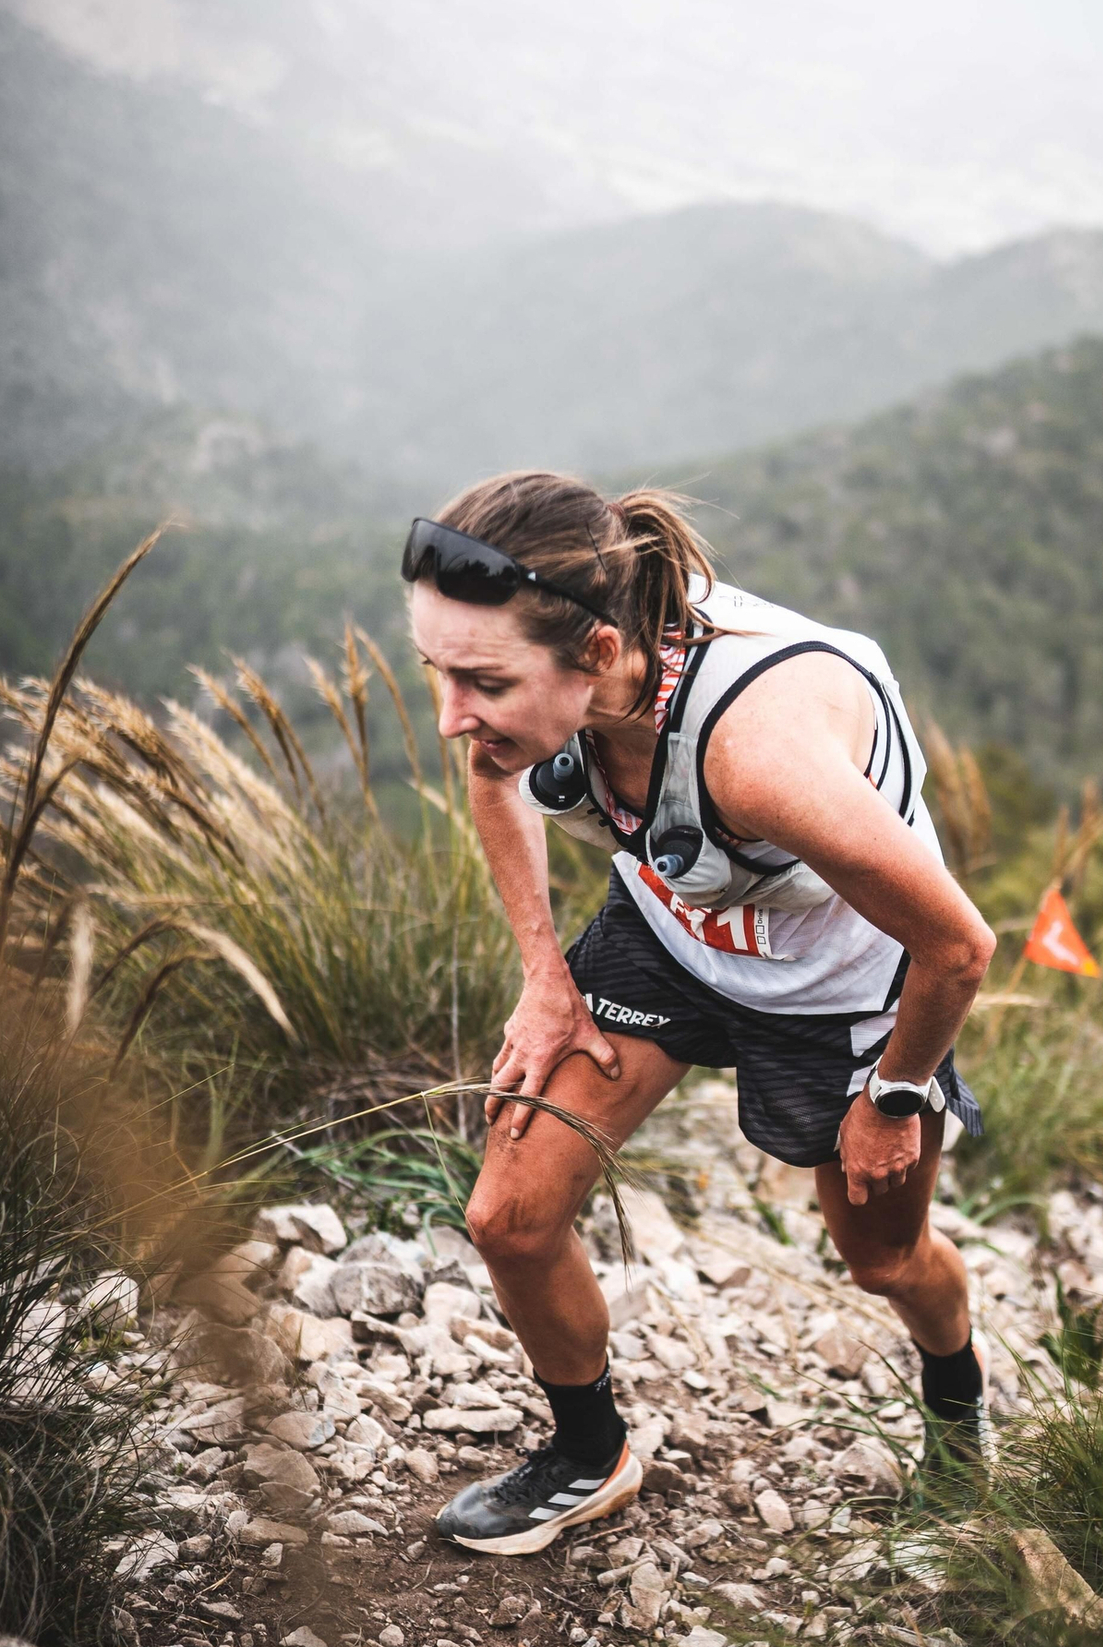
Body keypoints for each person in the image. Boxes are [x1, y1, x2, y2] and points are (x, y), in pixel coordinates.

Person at [403, 473, 997, 1556]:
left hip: (844, 988)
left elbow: (956, 945)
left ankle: (957, 1409)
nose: (451, 719)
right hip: (673, 936)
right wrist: (546, 974)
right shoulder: (544, 705)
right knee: (509, 1218)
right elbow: (500, 780)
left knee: (883, 1259)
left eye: (481, 680)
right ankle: (588, 1455)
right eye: (437, 674)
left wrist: (895, 1093)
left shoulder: (757, 753)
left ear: (594, 654)